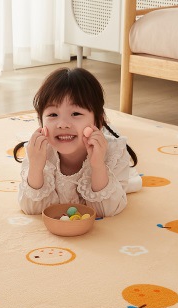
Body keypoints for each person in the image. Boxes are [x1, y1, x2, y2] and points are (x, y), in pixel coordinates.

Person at [14, 67, 141, 217]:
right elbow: (31, 209)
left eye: (75, 113)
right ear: (41, 121)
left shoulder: (114, 153)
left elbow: (107, 211)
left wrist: (98, 165)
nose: (63, 124)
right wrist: (36, 167)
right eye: (53, 114)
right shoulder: (38, 151)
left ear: (98, 120)